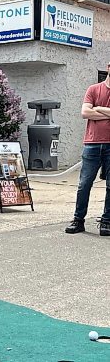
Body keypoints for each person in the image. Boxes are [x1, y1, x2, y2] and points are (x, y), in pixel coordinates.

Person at [65, 61, 110, 237]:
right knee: (84, 184)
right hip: (92, 144)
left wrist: (98, 109)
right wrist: (104, 111)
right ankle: (78, 220)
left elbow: (91, 111)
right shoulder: (93, 89)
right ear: (108, 68)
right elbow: (85, 112)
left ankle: (106, 221)